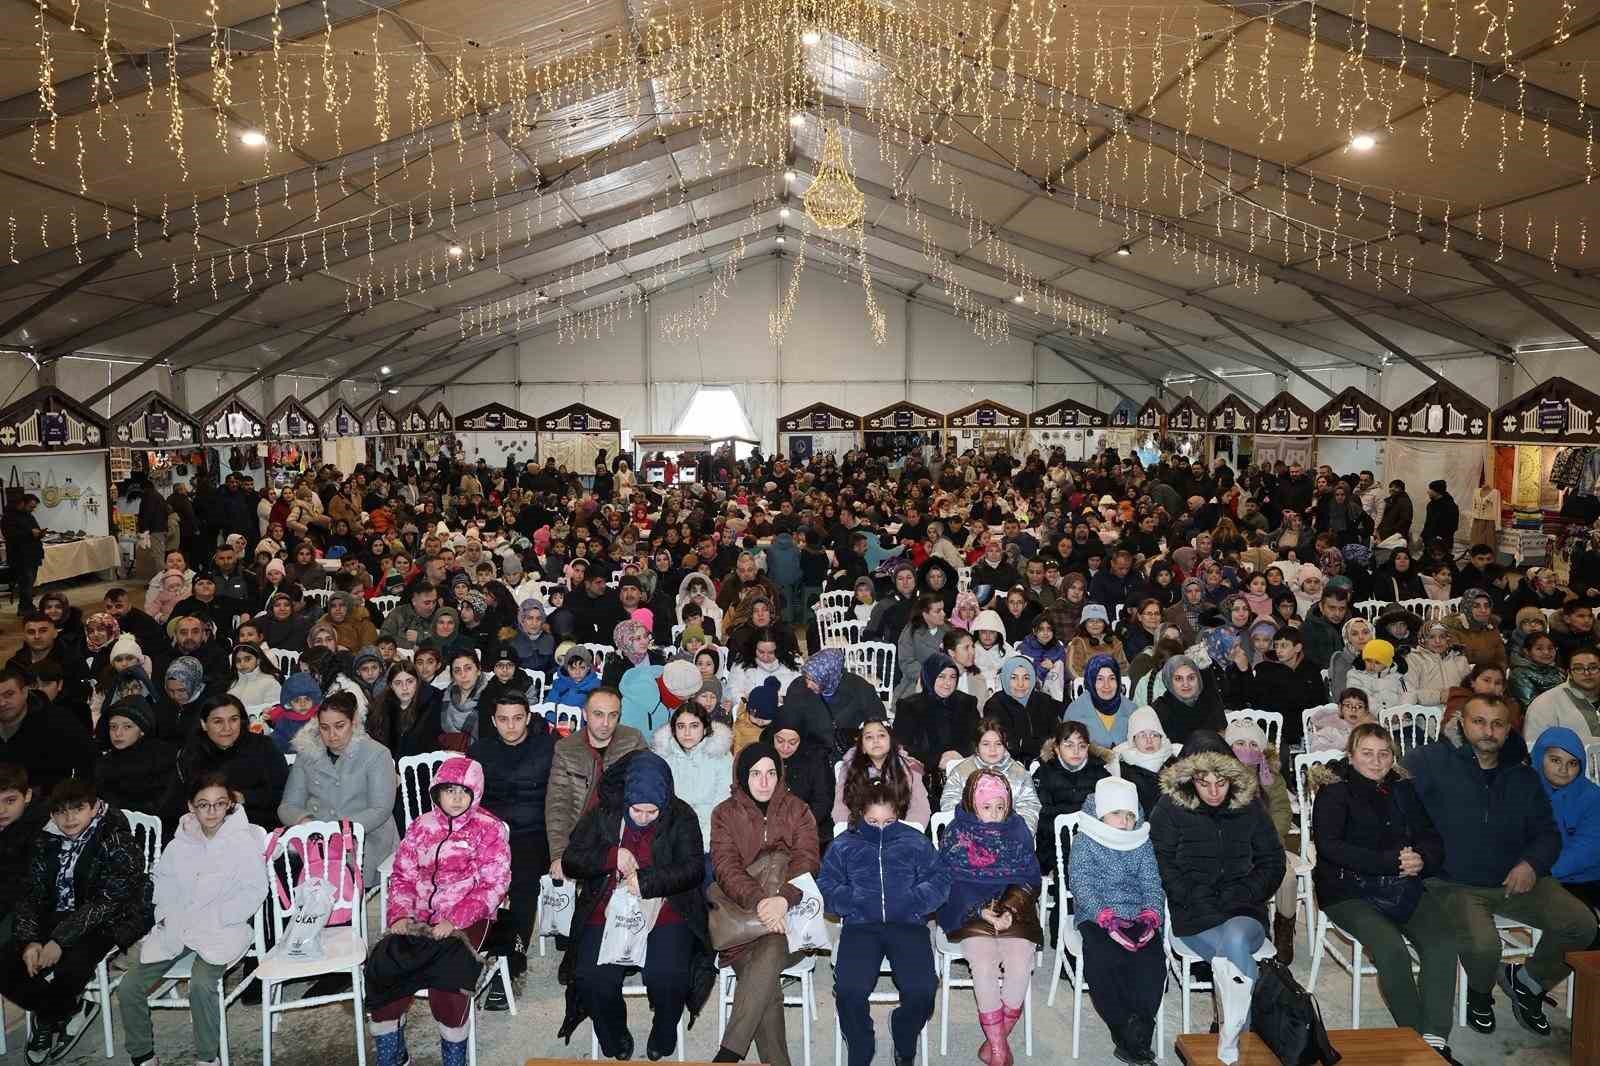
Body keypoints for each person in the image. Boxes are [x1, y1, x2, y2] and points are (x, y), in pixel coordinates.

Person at [1404, 695, 1596, 1038]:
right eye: (1479, 722)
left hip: (1516, 879)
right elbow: (1387, 789)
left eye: (1497, 724)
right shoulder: (1430, 761)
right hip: (1453, 881)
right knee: (1484, 946)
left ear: (1509, 729)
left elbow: (1547, 834)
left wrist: (1532, 864)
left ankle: (1528, 982)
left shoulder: (1524, 776)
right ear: (1463, 722)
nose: (1488, 731)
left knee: (1582, 924)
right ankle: (1479, 997)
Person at [1309, 723, 1457, 1059]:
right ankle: (1418, 1042)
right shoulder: (1335, 790)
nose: (1376, 762)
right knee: (1391, 949)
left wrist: (1422, 859)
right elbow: (1331, 847)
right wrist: (1390, 861)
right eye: (1367, 754)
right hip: (1347, 890)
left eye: (1384, 754)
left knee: (1443, 942)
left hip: (1401, 884)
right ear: (1351, 755)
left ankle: (1434, 1038)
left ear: (1393, 756)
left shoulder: (1403, 788)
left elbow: (1429, 835)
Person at [556, 751, 714, 1060]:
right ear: (625, 799)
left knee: (668, 975)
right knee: (593, 977)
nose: (641, 817)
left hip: (666, 907)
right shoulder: (604, 812)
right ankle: (614, 1036)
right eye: (636, 810)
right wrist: (610, 857)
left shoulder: (681, 816)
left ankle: (664, 1030)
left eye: (651, 812)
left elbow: (694, 869)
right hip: (608, 906)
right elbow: (572, 859)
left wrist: (647, 880)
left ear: (664, 805)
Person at [1150, 735, 1285, 1065]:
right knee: (1233, 953)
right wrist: (1200, 898)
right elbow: (1161, 863)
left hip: (1243, 906)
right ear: (1188, 778)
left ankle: (1231, 1036)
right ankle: (1237, 1039)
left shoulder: (1249, 805)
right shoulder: (1169, 808)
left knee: (1235, 940)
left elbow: (1273, 861)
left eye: (1221, 781)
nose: (1213, 791)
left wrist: (1243, 893)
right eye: (1203, 781)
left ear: (1233, 777)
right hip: (1194, 911)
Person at [117, 772, 269, 1066]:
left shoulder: (243, 842)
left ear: (229, 805)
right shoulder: (178, 845)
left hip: (222, 928)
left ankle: (207, 1057)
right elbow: (163, 885)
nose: (211, 812)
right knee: (129, 986)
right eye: (203, 804)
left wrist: (220, 915)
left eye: (219, 804)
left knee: (201, 985)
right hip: (179, 926)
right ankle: (143, 1056)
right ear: (191, 806)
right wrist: (166, 915)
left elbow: (254, 890)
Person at [0, 778, 153, 1064]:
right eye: (60, 812)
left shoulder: (115, 836)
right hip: (58, 916)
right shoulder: (45, 838)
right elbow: (30, 893)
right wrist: (29, 940)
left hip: (108, 918)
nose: (68, 819)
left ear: (94, 808)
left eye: (77, 809)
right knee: (6, 962)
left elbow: (111, 899)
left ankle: (45, 1020)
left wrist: (59, 940)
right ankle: (69, 1009)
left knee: (72, 966)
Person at [371, 757, 511, 1066]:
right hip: (419, 916)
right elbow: (403, 875)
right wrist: (400, 914)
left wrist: (455, 919)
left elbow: (495, 884)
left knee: (448, 978)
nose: (457, 798)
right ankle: (393, 1055)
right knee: (385, 962)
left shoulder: (489, 829)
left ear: (476, 792)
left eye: (464, 791)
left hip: (470, 916)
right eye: (449, 790)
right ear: (437, 793)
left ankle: (454, 1059)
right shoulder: (422, 826)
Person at [819, 774, 950, 1066]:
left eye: (888, 822)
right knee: (849, 991)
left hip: (908, 924)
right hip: (861, 925)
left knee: (923, 990)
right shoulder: (844, 844)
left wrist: (915, 901)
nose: (880, 828)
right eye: (873, 822)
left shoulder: (914, 841)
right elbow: (826, 884)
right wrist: (851, 901)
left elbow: (941, 879)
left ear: (897, 815)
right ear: (861, 815)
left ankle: (903, 1033)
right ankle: (861, 1046)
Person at [707, 741, 822, 1066]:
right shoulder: (724, 814)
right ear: (743, 776)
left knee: (770, 949)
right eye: (756, 774)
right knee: (765, 982)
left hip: (792, 919)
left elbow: (807, 860)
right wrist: (761, 902)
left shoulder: (797, 809)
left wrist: (783, 900)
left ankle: (729, 1053)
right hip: (741, 920)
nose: (764, 781)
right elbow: (725, 867)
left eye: (771, 773)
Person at [934, 769, 1041, 1066]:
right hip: (969, 907)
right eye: (986, 807)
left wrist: (1008, 909)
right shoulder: (957, 832)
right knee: (983, 965)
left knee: (1020, 965)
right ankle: (997, 1050)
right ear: (972, 804)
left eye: (1000, 807)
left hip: (1013, 906)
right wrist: (980, 909)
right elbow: (946, 880)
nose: (994, 814)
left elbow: (1031, 877)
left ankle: (996, 1040)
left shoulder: (1018, 831)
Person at [1069, 775, 1166, 1066]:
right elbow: (1082, 883)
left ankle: (1139, 1029)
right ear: (1100, 814)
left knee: (1151, 963)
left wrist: (1151, 914)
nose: (1124, 822)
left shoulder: (1140, 840)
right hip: (1097, 915)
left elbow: (1151, 881)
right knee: (1104, 960)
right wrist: (1105, 917)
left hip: (1137, 913)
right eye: (1116, 814)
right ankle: (1123, 1027)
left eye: (1129, 815)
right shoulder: (1086, 840)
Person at [469, 692, 555, 989]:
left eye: (518, 718)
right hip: (492, 833)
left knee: (522, 881)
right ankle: (473, 946)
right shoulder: (481, 751)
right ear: (493, 721)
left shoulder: (548, 747)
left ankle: (513, 957)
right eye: (503, 719)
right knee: (467, 876)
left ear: (529, 718)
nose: (511, 726)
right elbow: (472, 801)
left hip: (535, 832)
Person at [277, 691, 399, 883]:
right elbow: (287, 806)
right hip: (315, 840)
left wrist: (337, 830)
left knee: (336, 880)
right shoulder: (306, 754)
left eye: (339, 726)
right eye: (324, 728)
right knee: (281, 872)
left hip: (366, 839)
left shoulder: (376, 754)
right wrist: (307, 822)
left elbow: (380, 810)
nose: (332, 735)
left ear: (354, 723)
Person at [545, 687, 646, 880]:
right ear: (585, 714)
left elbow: (645, 792)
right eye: (598, 714)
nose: (606, 723)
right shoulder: (566, 749)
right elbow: (558, 805)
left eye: (613, 715)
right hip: (580, 835)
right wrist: (559, 855)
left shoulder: (633, 740)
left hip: (621, 834)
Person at [893, 653, 980, 797]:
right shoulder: (909, 706)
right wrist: (936, 760)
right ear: (929, 676)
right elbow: (902, 748)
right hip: (924, 777)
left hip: (964, 771)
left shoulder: (967, 703)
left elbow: (979, 737)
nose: (948, 683)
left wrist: (960, 754)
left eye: (952, 677)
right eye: (941, 676)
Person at [1533, 727, 1600, 912]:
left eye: (1572, 763)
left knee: (1577, 923)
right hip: (1534, 875)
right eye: (1555, 760)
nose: (1564, 769)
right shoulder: (1524, 791)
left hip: (1586, 879)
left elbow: (1587, 850)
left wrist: (1537, 869)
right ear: (1539, 758)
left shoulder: (1592, 797)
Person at [939, 718, 1042, 832]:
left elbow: (1029, 807)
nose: (992, 750)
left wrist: (1016, 833)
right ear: (977, 747)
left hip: (1010, 836)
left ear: (1006, 745)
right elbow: (950, 805)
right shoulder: (961, 772)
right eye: (986, 744)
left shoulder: (1019, 774)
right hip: (970, 835)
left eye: (998, 744)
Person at [651, 702, 733, 844]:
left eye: (694, 726)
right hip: (671, 834)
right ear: (673, 730)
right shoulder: (663, 757)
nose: (687, 733)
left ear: (705, 728)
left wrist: (704, 841)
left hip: (711, 834)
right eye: (681, 726)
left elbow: (723, 805)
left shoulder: (721, 756)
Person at [780, 647, 886, 754]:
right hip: (812, 749)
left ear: (829, 676)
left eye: (814, 680)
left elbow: (876, 716)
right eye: (806, 677)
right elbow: (789, 721)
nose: (808, 684)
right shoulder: (798, 688)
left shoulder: (858, 687)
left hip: (848, 747)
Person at [832, 717, 933, 828]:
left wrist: (907, 832)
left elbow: (919, 806)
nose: (876, 740)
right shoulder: (849, 769)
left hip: (901, 831)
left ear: (891, 741)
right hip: (859, 832)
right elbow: (840, 806)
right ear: (862, 747)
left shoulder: (909, 767)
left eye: (881, 735)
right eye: (869, 737)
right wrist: (849, 830)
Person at [93, 698, 175, 816]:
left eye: (127, 727)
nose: (118, 733)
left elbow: (163, 805)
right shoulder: (105, 763)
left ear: (142, 730)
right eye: (113, 727)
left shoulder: (162, 759)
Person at [983, 655, 1061, 763]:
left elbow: (1056, 736)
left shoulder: (1044, 701)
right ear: (1005, 678)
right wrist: (1041, 746)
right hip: (1010, 765)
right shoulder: (995, 705)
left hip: (1047, 762)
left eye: (1026, 678)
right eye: (1014, 678)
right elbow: (1007, 745)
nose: (1020, 684)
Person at [1106, 707, 1175, 824]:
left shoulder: (1175, 763)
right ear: (1133, 740)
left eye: (1154, 735)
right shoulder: (1121, 769)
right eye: (1142, 735)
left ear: (1161, 737)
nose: (1149, 741)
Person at [366, 660, 445, 759]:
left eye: (410, 681)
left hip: (422, 767)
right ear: (391, 686)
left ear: (417, 682)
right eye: (398, 683)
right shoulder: (379, 709)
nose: (404, 688)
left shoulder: (433, 706)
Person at [1525, 647, 1600, 749]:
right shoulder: (1544, 704)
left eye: (1593, 667)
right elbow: (1534, 748)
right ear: (1569, 673)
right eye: (1578, 668)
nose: (1587, 673)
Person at [1150, 655, 1225, 749]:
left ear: (1199, 679)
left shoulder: (1210, 702)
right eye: (1178, 679)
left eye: (1191, 678)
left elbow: (1222, 739)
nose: (1186, 684)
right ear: (1169, 681)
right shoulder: (1160, 709)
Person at [1063, 653, 1136, 748]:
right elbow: (1066, 750)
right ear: (1091, 681)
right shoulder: (1074, 712)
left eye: (1112, 678)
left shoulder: (1132, 710)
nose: (1107, 685)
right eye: (1100, 679)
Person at [3, 494, 45, 613]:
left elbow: (35, 529)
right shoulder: (8, 517)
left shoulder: (29, 515)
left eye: (34, 507)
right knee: (25, 584)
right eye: (31, 507)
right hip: (20, 556)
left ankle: (25, 607)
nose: (33, 509)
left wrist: (40, 533)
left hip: (33, 555)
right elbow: (9, 535)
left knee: (29, 584)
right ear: (22, 503)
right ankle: (26, 608)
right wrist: (30, 533)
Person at [1346, 638, 1410, 712]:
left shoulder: (1398, 676)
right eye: (1368, 660)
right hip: (1368, 718)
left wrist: (1403, 711)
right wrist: (1380, 713)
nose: (1372, 665)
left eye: (1377, 662)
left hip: (1398, 717)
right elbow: (1359, 697)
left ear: (1387, 663)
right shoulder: (1355, 675)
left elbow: (1407, 693)